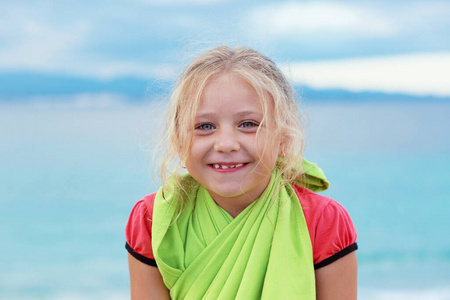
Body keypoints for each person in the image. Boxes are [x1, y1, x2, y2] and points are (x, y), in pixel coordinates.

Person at [125, 46, 358, 300]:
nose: (226, 144)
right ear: (180, 141)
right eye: (205, 126)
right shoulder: (154, 220)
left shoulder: (323, 222)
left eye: (248, 124)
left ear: (283, 138)